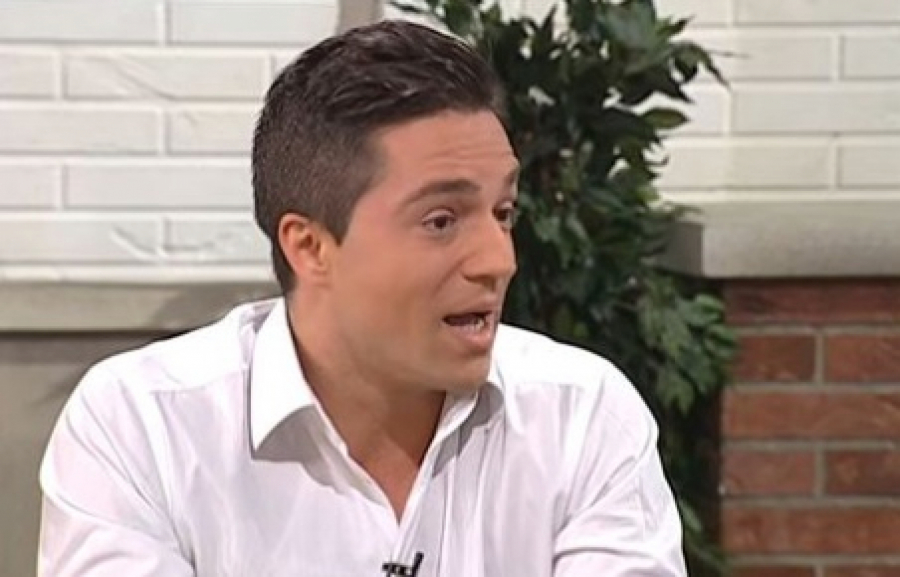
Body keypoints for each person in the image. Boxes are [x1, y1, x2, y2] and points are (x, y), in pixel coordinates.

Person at [37, 19, 686, 577]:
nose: (499, 261)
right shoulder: (142, 426)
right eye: (441, 220)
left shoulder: (583, 417)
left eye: (503, 212)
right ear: (310, 246)